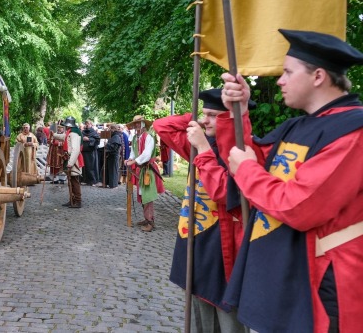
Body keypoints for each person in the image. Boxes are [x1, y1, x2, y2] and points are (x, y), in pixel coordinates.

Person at [219, 29, 363, 333]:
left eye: (287, 72)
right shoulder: (297, 125)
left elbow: (299, 206)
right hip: (283, 267)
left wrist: (246, 169)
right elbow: (245, 157)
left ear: (318, 76)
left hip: (319, 282)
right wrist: (238, 112)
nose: (280, 80)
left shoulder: (354, 131)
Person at [154, 90, 250, 332]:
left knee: (229, 320)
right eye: (205, 114)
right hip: (197, 243)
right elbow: (162, 126)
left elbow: (226, 194)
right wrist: (193, 118)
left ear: (231, 118)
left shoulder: (244, 151)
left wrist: (204, 146)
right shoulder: (198, 145)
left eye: (214, 115)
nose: (206, 120)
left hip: (225, 250)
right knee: (200, 320)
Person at [125, 115, 164, 232]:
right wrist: (129, 159)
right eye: (135, 124)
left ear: (143, 125)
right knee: (142, 195)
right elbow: (133, 152)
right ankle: (147, 219)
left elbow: (146, 155)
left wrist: (134, 161)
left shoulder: (149, 138)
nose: (137, 125)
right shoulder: (136, 139)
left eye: (139, 123)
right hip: (141, 169)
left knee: (147, 196)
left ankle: (150, 221)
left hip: (148, 170)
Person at [52, 116, 84, 208]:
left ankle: (77, 201)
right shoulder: (71, 132)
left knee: (74, 181)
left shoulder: (74, 134)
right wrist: (54, 135)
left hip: (74, 160)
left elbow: (76, 149)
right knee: (71, 180)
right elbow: (64, 137)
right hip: (70, 158)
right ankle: (72, 200)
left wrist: (70, 163)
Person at [80, 120, 100, 185]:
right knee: (84, 167)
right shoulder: (82, 132)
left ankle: (92, 180)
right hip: (84, 151)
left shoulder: (94, 132)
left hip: (91, 152)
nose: (87, 125)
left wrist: (89, 139)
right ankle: (85, 180)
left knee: (91, 167)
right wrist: (82, 138)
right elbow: (79, 138)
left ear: (91, 124)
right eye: (86, 124)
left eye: (88, 124)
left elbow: (97, 140)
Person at [104, 123, 123, 188]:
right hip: (110, 156)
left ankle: (113, 184)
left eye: (110, 128)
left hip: (114, 156)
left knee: (113, 170)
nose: (109, 129)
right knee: (110, 170)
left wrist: (107, 145)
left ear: (113, 129)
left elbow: (114, 147)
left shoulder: (116, 136)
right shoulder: (113, 136)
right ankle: (110, 183)